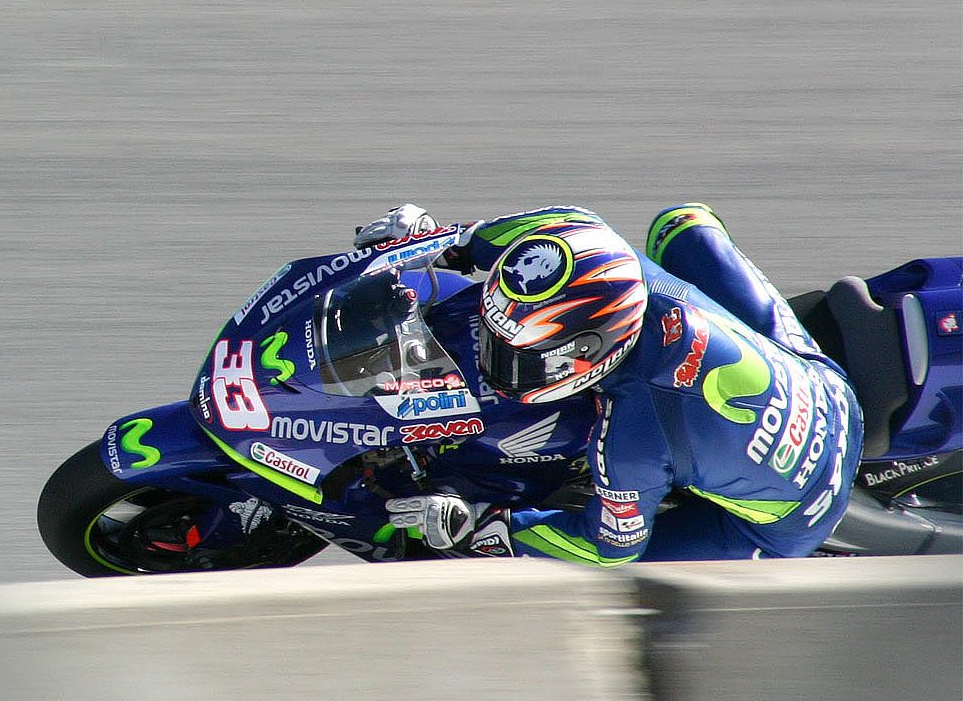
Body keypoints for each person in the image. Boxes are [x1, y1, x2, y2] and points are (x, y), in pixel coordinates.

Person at [355, 203, 864, 565]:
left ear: (590, 349)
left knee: (623, 577)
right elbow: (536, 230)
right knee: (683, 222)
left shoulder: (633, 441)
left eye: (518, 357)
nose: (496, 360)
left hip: (798, 514)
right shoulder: (593, 244)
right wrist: (438, 242)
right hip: (818, 378)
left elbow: (609, 545)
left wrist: (486, 526)